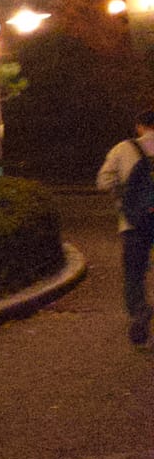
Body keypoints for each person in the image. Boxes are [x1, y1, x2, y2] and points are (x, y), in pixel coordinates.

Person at [95, 108, 154, 346]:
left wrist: (123, 196)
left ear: (140, 126)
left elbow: (103, 181)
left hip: (134, 223)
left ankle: (139, 313)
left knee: (134, 274)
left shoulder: (124, 149)